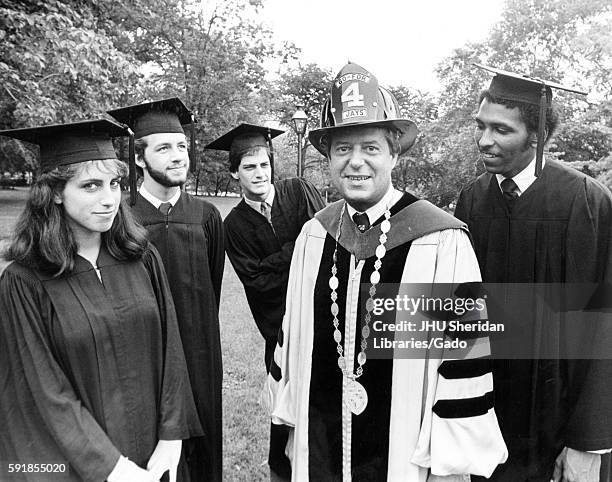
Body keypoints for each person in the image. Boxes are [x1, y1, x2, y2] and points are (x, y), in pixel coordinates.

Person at [266, 62, 508, 481]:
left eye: (370, 148)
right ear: (329, 156)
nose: (355, 162)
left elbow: (463, 356)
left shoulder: (439, 242)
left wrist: (447, 460)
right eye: (343, 149)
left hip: (404, 452)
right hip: (318, 440)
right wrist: (288, 425)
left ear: (394, 154)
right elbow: (294, 341)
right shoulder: (314, 237)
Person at [0, 119, 201, 482]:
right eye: (90, 186)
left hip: (159, 458)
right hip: (83, 464)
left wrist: (172, 436)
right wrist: (113, 468)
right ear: (56, 192)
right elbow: (43, 387)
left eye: (114, 184)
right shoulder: (25, 281)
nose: (109, 199)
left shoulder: (141, 258)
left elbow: (172, 350)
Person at [454, 65, 612, 481]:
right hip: (488, 416)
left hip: (558, 418)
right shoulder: (472, 200)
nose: (484, 140)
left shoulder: (585, 202)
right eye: (481, 126)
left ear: (537, 136)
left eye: (501, 130)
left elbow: (602, 327)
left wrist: (587, 441)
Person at [107, 98, 225, 482]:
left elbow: (214, 283)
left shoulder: (206, 216)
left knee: (204, 450)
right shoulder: (120, 219)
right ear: (139, 158)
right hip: (146, 357)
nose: (177, 156)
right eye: (163, 148)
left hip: (201, 351)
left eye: (181, 147)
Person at [206, 123, 326, 480]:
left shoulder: (299, 191)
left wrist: (281, 259)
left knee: (323, 404)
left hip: (323, 315)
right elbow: (257, 283)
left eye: (263, 165)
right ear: (234, 174)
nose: (258, 174)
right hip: (279, 331)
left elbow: (328, 241)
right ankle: (282, 472)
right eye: (248, 167)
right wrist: (300, 248)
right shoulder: (234, 226)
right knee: (282, 410)